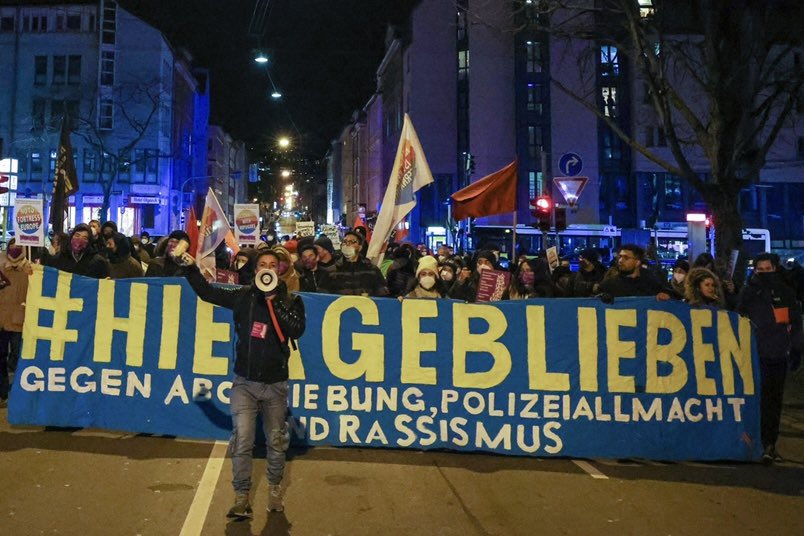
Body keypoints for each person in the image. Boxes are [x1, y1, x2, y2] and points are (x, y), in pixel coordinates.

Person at [181, 249, 305, 517]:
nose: (267, 268)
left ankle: (273, 492)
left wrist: (274, 300)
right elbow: (208, 293)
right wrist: (190, 268)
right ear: (255, 269)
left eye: (273, 265)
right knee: (243, 440)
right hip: (244, 383)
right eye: (262, 264)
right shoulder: (244, 296)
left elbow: (296, 330)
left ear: (280, 269)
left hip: (275, 385)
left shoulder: (291, 299)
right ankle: (241, 497)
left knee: (275, 441)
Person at [738, 253, 802, 464]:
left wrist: (796, 349)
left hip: (777, 355)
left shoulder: (785, 293)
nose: (764, 273)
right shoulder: (749, 293)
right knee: (756, 401)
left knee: (773, 403)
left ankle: (769, 445)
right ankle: (752, 443)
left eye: (768, 269)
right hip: (755, 355)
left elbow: (795, 322)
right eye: (760, 269)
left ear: (775, 269)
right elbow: (738, 320)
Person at [0, 239, 32, 406]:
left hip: (21, 319)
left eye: (18, 247)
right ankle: (3, 392)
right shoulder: (1, 266)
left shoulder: (30, 269)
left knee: (18, 358)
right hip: (3, 319)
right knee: (1, 358)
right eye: (11, 246)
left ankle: (20, 394)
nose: (14, 249)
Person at [597, 244, 671, 300]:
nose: (620, 261)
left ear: (637, 262)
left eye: (626, 258)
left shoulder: (650, 284)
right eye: (620, 257)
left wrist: (665, 295)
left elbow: (674, 294)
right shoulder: (609, 284)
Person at [328, 231, 388, 296]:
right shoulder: (332, 271)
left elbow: (382, 295)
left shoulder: (372, 270)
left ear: (360, 247)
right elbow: (322, 298)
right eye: (345, 241)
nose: (347, 244)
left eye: (352, 242)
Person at [42, 223, 110, 278]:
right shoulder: (59, 259)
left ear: (89, 242)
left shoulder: (98, 261)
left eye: (84, 238)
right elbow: (46, 275)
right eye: (77, 236)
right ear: (71, 237)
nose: (79, 240)